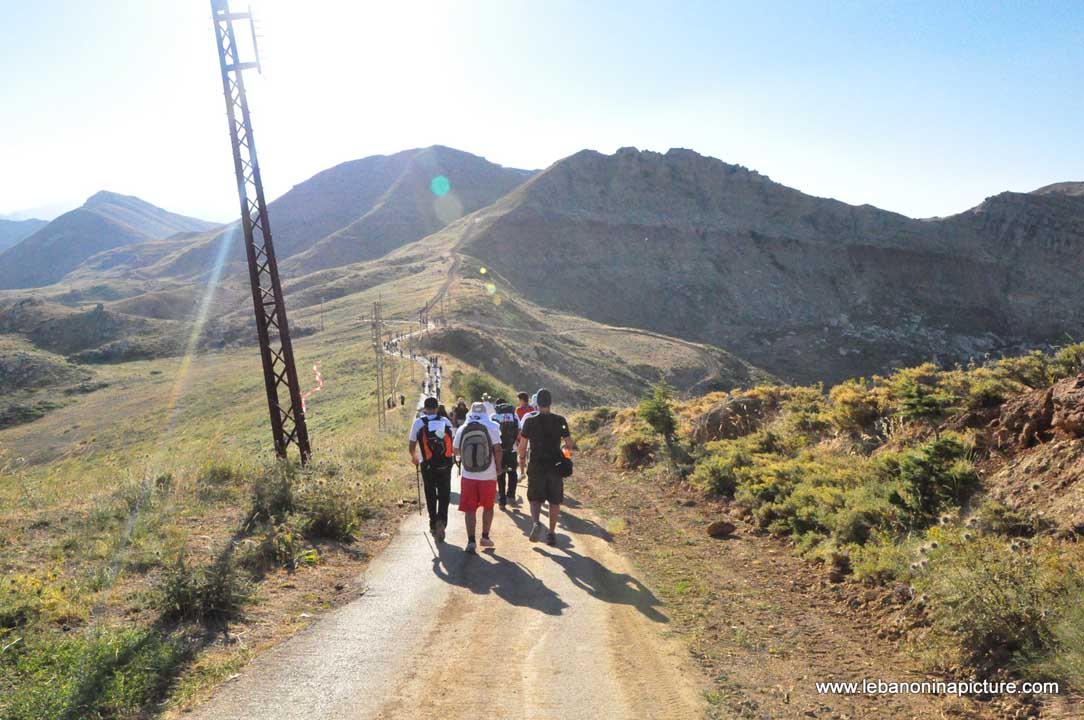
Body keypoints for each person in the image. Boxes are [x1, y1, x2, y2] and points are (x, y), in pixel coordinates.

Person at [518, 388, 576, 546]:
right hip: (555, 466)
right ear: (551, 402)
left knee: (535, 499)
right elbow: (569, 444)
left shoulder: (530, 421)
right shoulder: (560, 420)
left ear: (537, 403)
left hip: (536, 465)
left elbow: (522, 446)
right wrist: (566, 453)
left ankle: (536, 523)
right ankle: (551, 533)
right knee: (554, 502)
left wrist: (522, 461)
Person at [453, 402, 502, 553]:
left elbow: (455, 451)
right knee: (488, 506)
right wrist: (498, 467)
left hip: (468, 475)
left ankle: (471, 542)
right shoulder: (492, 426)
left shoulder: (463, 428)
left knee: (470, 508)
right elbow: (498, 450)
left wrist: (469, 457)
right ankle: (485, 537)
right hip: (488, 475)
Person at [408, 397, 455, 542]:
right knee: (444, 493)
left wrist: (414, 457)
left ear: (425, 409)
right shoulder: (445, 422)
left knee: (430, 493)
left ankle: (433, 523)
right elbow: (451, 443)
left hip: (427, 464)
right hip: (445, 465)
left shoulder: (419, 423)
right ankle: (442, 520)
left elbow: (412, 444)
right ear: (437, 408)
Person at [491, 399, 521, 510]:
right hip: (512, 450)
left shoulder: (494, 416)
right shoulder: (514, 416)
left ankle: (502, 500)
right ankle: (511, 496)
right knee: (512, 472)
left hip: (499, 450)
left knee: (500, 474)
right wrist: (516, 443)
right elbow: (519, 430)